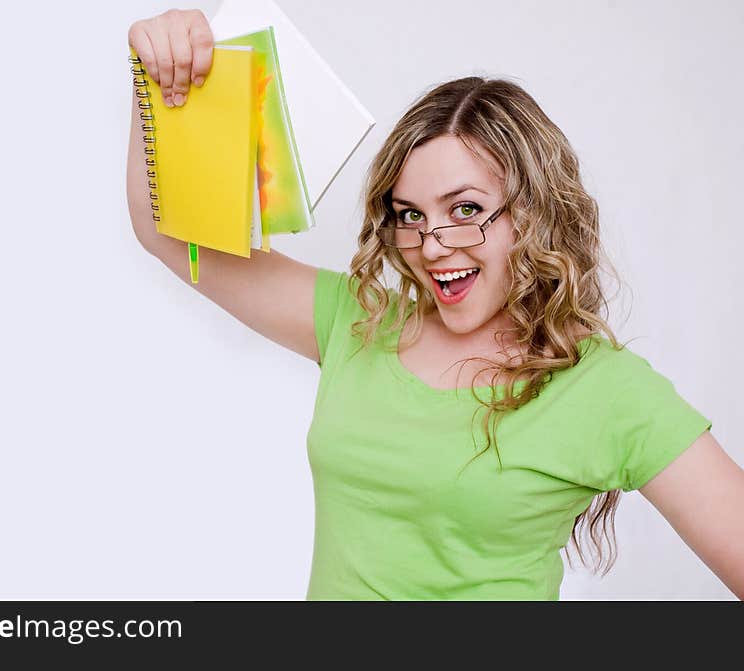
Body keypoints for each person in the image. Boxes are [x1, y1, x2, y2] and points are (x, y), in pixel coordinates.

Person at [126, 8, 744, 600]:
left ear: (532, 213)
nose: (432, 245)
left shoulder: (604, 389)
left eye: (466, 210)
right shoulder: (355, 321)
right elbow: (169, 237)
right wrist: (157, 82)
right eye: (410, 216)